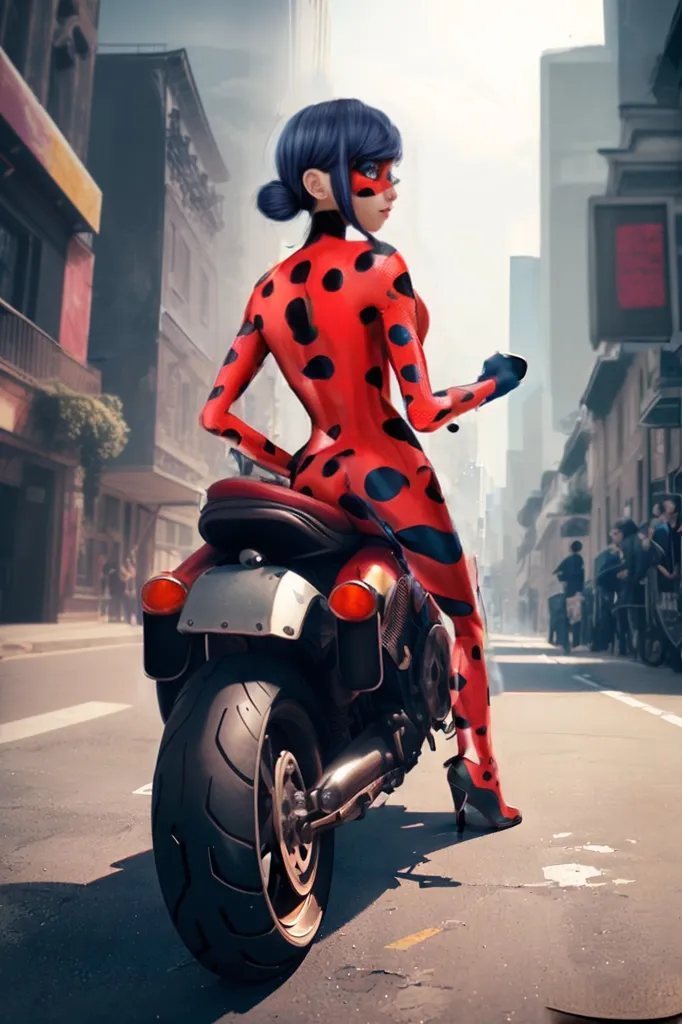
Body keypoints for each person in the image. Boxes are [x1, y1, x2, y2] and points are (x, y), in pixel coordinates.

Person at [199, 98, 523, 830]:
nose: (390, 187)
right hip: (386, 470)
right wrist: (495, 381)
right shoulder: (383, 268)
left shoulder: (268, 287)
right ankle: (479, 784)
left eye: (391, 173)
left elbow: (216, 416)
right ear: (320, 183)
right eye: (373, 172)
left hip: (314, 475)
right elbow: (426, 411)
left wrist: (289, 461)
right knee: (467, 624)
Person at [552, 540, 585, 652]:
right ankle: (575, 642)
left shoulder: (567, 560)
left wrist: (563, 579)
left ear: (571, 549)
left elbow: (556, 572)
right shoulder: (580, 560)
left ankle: (565, 642)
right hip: (577, 592)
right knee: (577, 618)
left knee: (567, 617)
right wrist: (580, 590)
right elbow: (581, 576)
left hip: (567, 592)